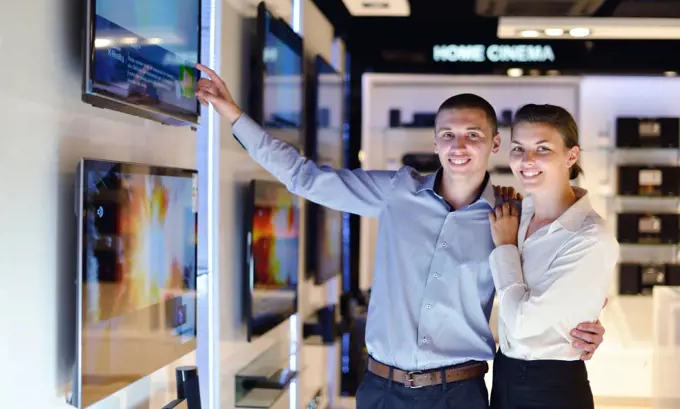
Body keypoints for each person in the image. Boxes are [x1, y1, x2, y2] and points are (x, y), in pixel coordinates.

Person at [194, 64, 607, 409]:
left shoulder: (509, 215)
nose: (458, 146)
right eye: (447, 134)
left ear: (495, 143)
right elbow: (306, 179)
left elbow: (557, 277)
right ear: (435, 141)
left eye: (473, 135)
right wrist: (234, 115)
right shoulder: (396, 192)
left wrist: (590, 322)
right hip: (380, 390)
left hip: (459, 394)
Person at [488, 104, 619, 409]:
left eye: (542, 148)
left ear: (571, 156)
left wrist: (506, 247)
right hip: (504, 376)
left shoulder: (590, 237)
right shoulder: (515, 213)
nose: (527, 160)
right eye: (518, 148)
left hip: (553, 388)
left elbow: (521, 324)